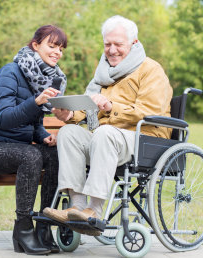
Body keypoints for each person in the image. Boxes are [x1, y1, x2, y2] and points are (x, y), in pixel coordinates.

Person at [43, 15, 173, 235]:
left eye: (118, 44)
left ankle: (95, 209)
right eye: (107, 44)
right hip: (108, 138)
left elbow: (150, 111)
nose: (112, 50)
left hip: (145, 140)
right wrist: (69, 114)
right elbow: (87, 107)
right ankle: (77, 207)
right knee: (69, 133)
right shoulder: (103, 73)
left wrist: (111, 107)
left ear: (133, 43)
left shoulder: (150, 69)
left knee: (104, 132)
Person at [0, 25, 67, 255]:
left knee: (54, 154)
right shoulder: (10, 72)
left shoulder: (46, 78)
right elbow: (3, 119)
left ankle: (44, 226)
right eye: (51, 46)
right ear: (35, 45)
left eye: (60, 48)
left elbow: (34, 126)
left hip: (15, 148)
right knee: (30, 155)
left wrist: (45, 137)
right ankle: (23, 228)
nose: (57, 52)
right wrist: (36, 102)